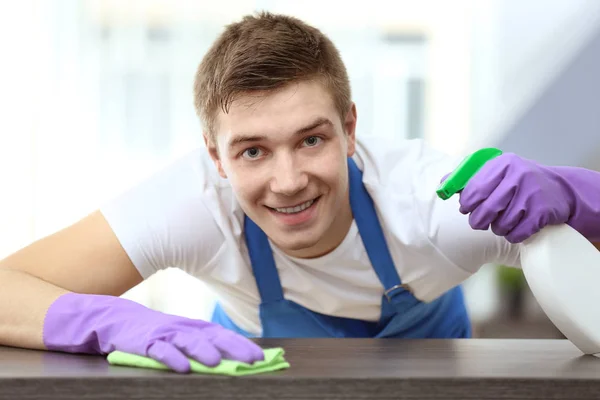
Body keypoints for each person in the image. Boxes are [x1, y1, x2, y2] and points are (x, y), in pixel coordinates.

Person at [1, 11, 599, 374]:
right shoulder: (190, 204)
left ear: (350, 129)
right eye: (253, 151)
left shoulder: (433, 205)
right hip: (253, 369)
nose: (287, 181)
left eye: (311, 140)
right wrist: (117, 322)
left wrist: (577, 199)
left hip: (430, 367)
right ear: (214, 156)